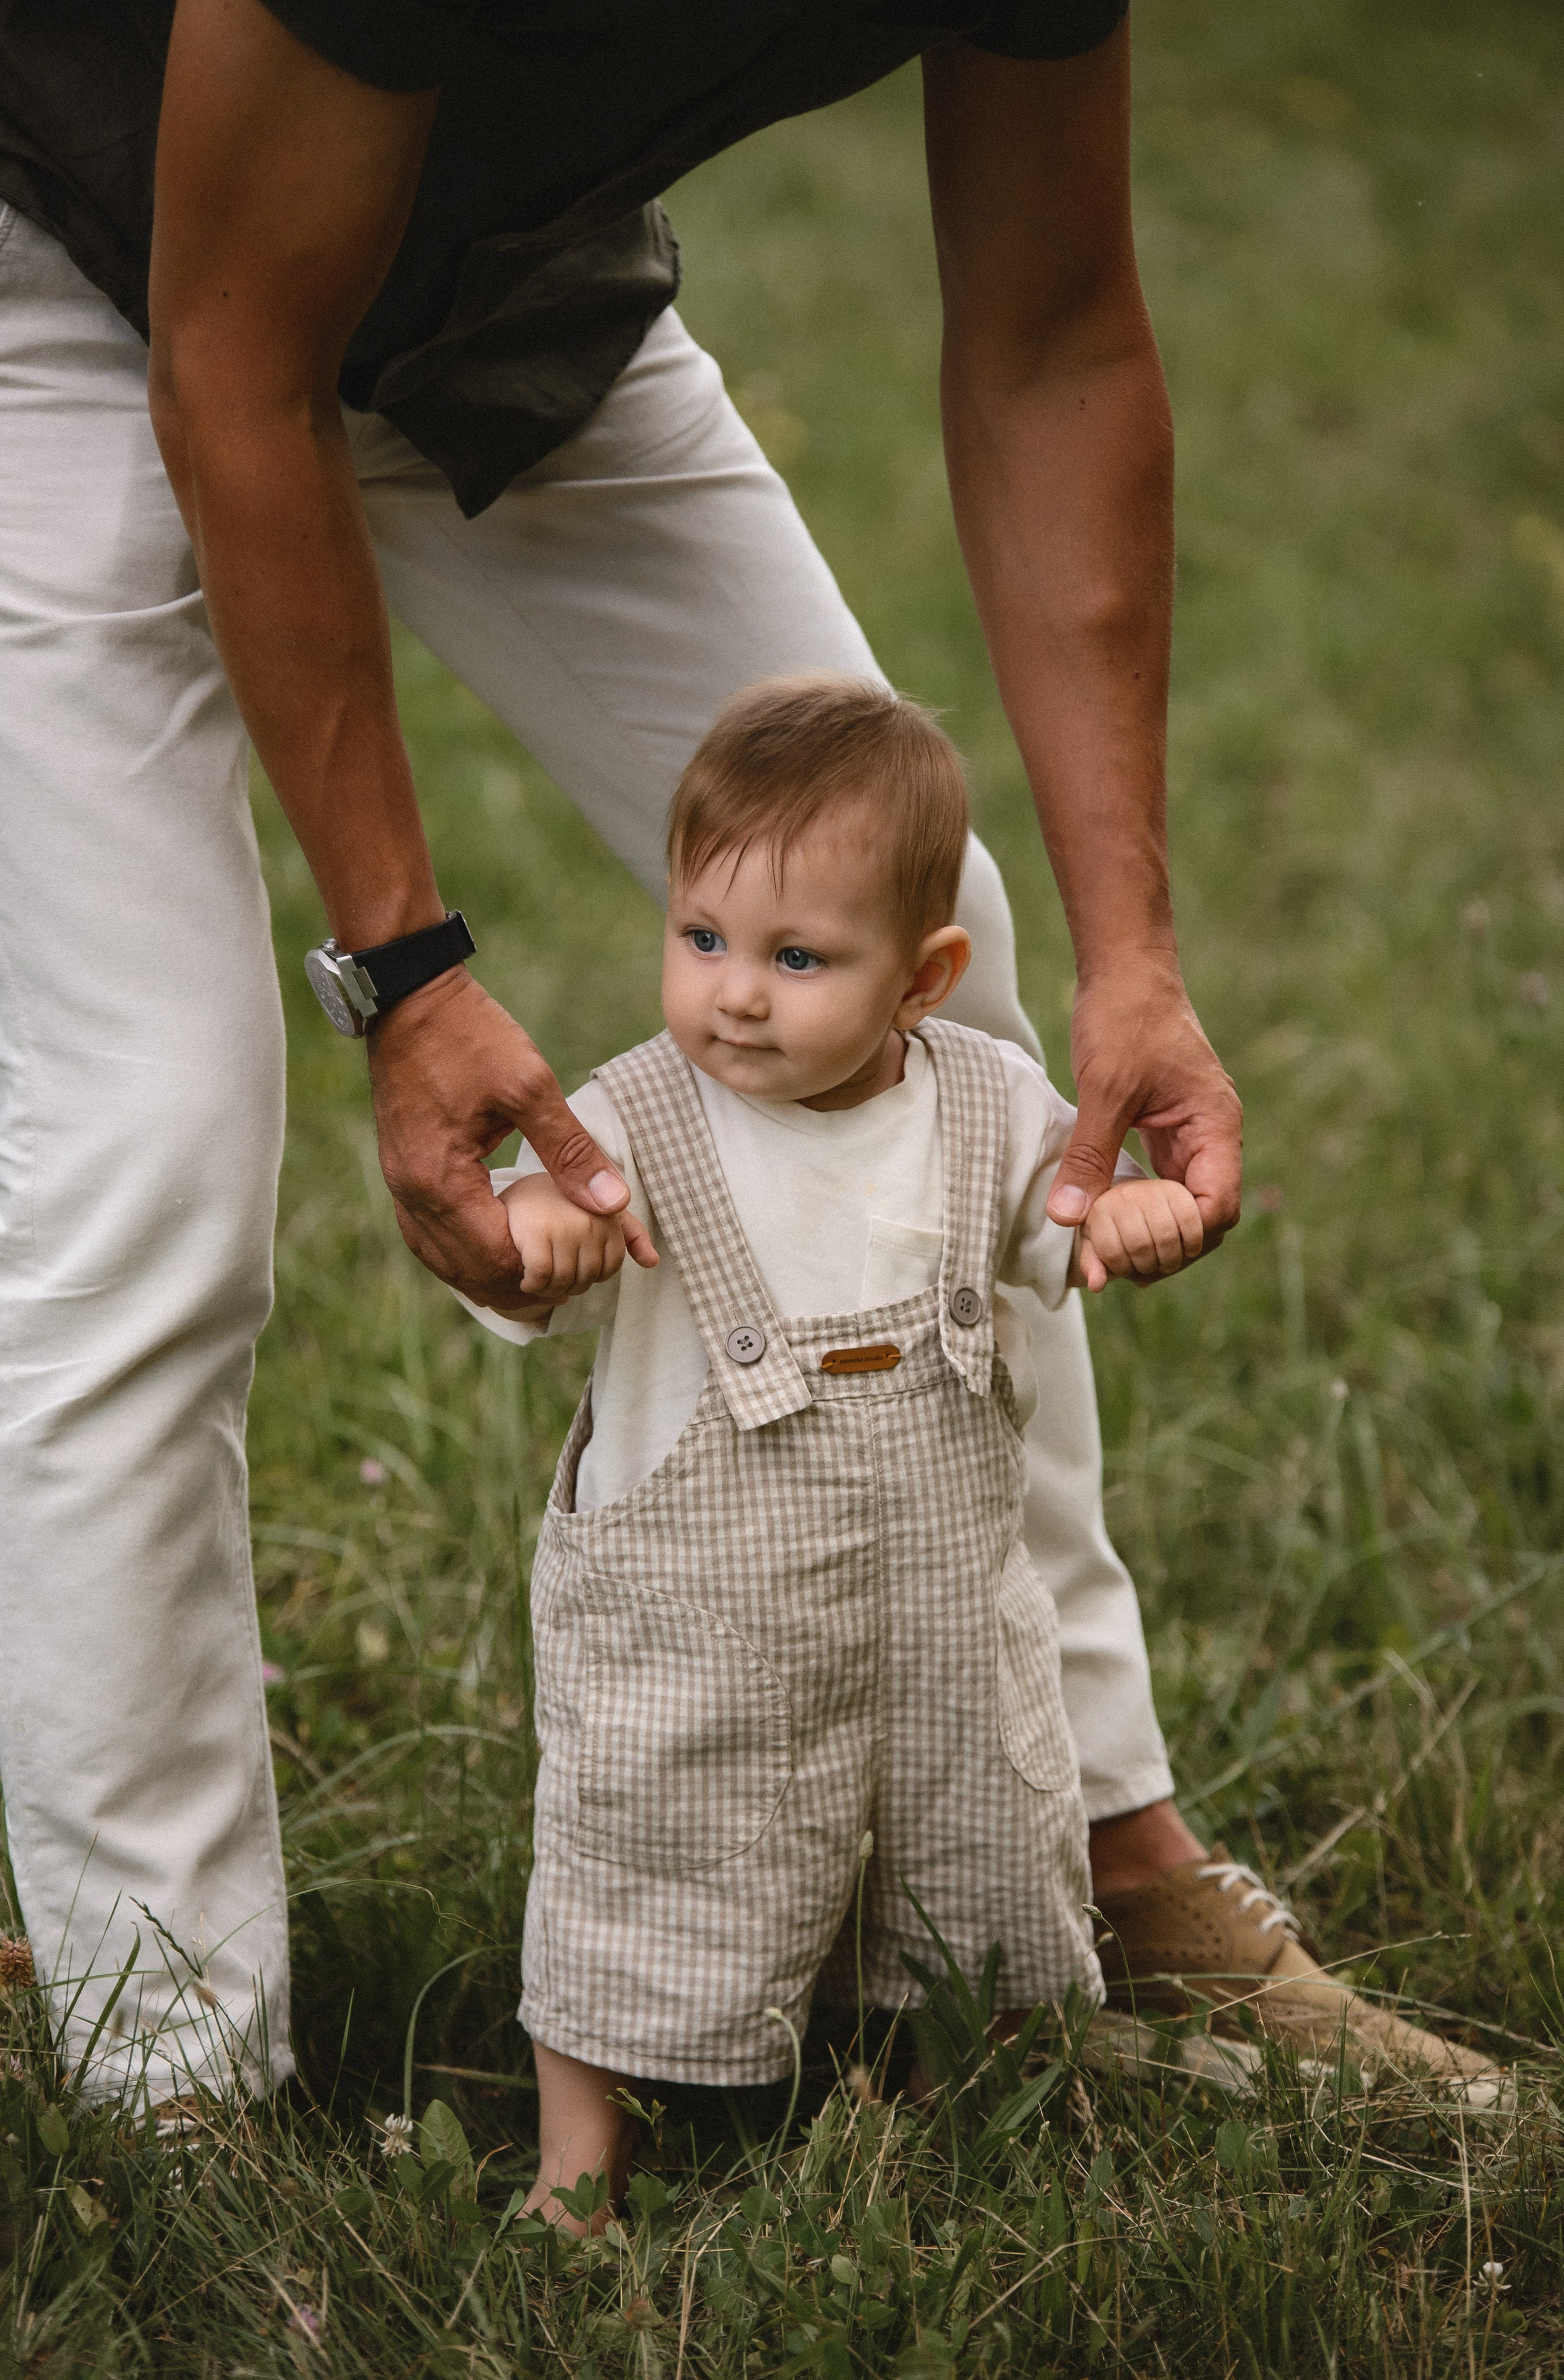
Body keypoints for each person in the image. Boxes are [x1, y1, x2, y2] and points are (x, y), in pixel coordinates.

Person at [0, 0, 1488, 2106]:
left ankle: (1082, 1846)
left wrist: (1135, 951)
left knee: (934, 1011)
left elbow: (1057, 332)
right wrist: (406, 963)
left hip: (497, 286)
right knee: (154, 1139)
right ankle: (172, 2076)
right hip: (63, 267)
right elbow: (231, 362)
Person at [464, 676, 1207, 2221]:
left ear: (924, 976)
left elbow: (1058, 1224)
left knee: (973, 1839)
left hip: (933, 1616)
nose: (734, 993)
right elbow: (540, 1208)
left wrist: (1125, 1213)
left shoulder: (987, 1106)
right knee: (643, 1848)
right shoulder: (641, 1119)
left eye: (797, 959)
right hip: (700, 1631)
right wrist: (538, 1231)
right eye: (701, 938)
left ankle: (956, 2120)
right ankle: (575, 2168)